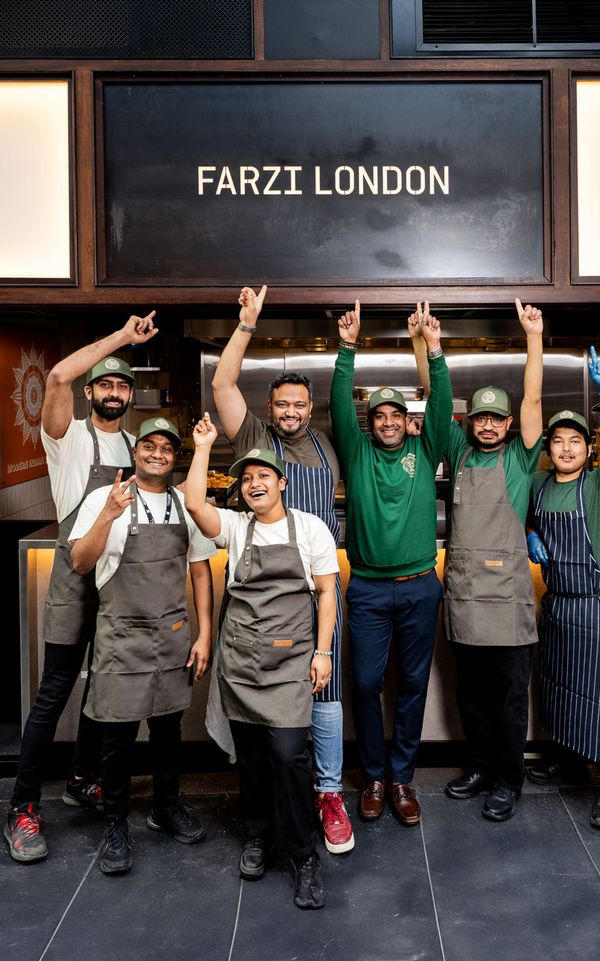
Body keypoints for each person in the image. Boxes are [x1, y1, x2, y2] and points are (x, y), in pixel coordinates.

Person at [5, 314, 157, 864]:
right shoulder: (66, 437)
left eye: (123, 385)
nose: (114, 393)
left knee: (105, 688)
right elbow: (56, 378)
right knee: (56, 692)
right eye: (106, 384)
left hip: (123, 584)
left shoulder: (140, 445)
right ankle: (22, 807)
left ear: (130, 396)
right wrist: (122, 338)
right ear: (91, 392)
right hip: (75, 580)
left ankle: (81, 778)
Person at [212, 284, 352, 855]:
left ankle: (328, 793)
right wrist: (246, 324)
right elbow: (223, 384)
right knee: (263, 705)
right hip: (263, 592)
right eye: (282, 405)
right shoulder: (253, 439)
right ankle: (272, 797)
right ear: (269, 410)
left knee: (326, 690)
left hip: (317, 587)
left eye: (299, 404)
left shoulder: (326, 443)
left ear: (309, 409)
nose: (290, 412)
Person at [186, 413, 338, 909]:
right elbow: (194, 504)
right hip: (241, 662)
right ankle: (258, 835)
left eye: (262, 477)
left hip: (291, 661)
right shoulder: (235, 527)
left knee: (289, 756)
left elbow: (326, 592)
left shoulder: (310, 528)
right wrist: (205, 446)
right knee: (250, 756)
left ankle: (302, 853)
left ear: (282, 483)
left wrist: (322, 651)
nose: (254, 484)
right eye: (246, 478)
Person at [69, 417, 215, 875]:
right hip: (120, 636)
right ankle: (115, 824)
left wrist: (205, 632)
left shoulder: (183, 505)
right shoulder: (104, 498)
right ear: (135, 453)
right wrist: (109, 515)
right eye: (148, 445)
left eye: (166, 448)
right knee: (117, 737)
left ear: (176, 457)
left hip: (171, 635)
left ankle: (166, 807)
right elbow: (79, 561)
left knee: (168, 730)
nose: (156, 453)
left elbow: (199, 570)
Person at [330, 300, 452, 826]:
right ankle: (373, 776)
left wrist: (436, 350)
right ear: (369, 422)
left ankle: (402, 779)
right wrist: (347, 349)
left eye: (394, 415)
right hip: (369, 591)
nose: (385, 422)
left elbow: (442, 404)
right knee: (364, 684)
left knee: (412, 685)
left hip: (422, 586)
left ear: (408, 420)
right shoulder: (356, 454)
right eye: (377, 416)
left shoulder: (426, 452)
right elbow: (337, 403)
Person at [435, 299, 544, 822]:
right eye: (480, 417)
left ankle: (508, 778)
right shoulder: (457, 454)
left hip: (507, 603)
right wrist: (431, 351)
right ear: (470, 421)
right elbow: (436, 406)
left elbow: (535, 399)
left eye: (497, 418)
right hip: (464, 598)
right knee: (472, 697)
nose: (488, 426)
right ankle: (479, 767)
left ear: (506, 424)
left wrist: (533, 338)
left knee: (508, 701)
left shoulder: (521, 456)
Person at [526, 348, 600, 830]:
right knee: (560, 690)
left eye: (576, 441)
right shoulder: (541, 486)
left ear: (588, 449)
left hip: (596, 606)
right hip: (558, 605)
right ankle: (569, 761)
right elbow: (528, 520)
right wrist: (531, 535)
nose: (566, 448)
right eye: (558, 441)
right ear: (549, 447)